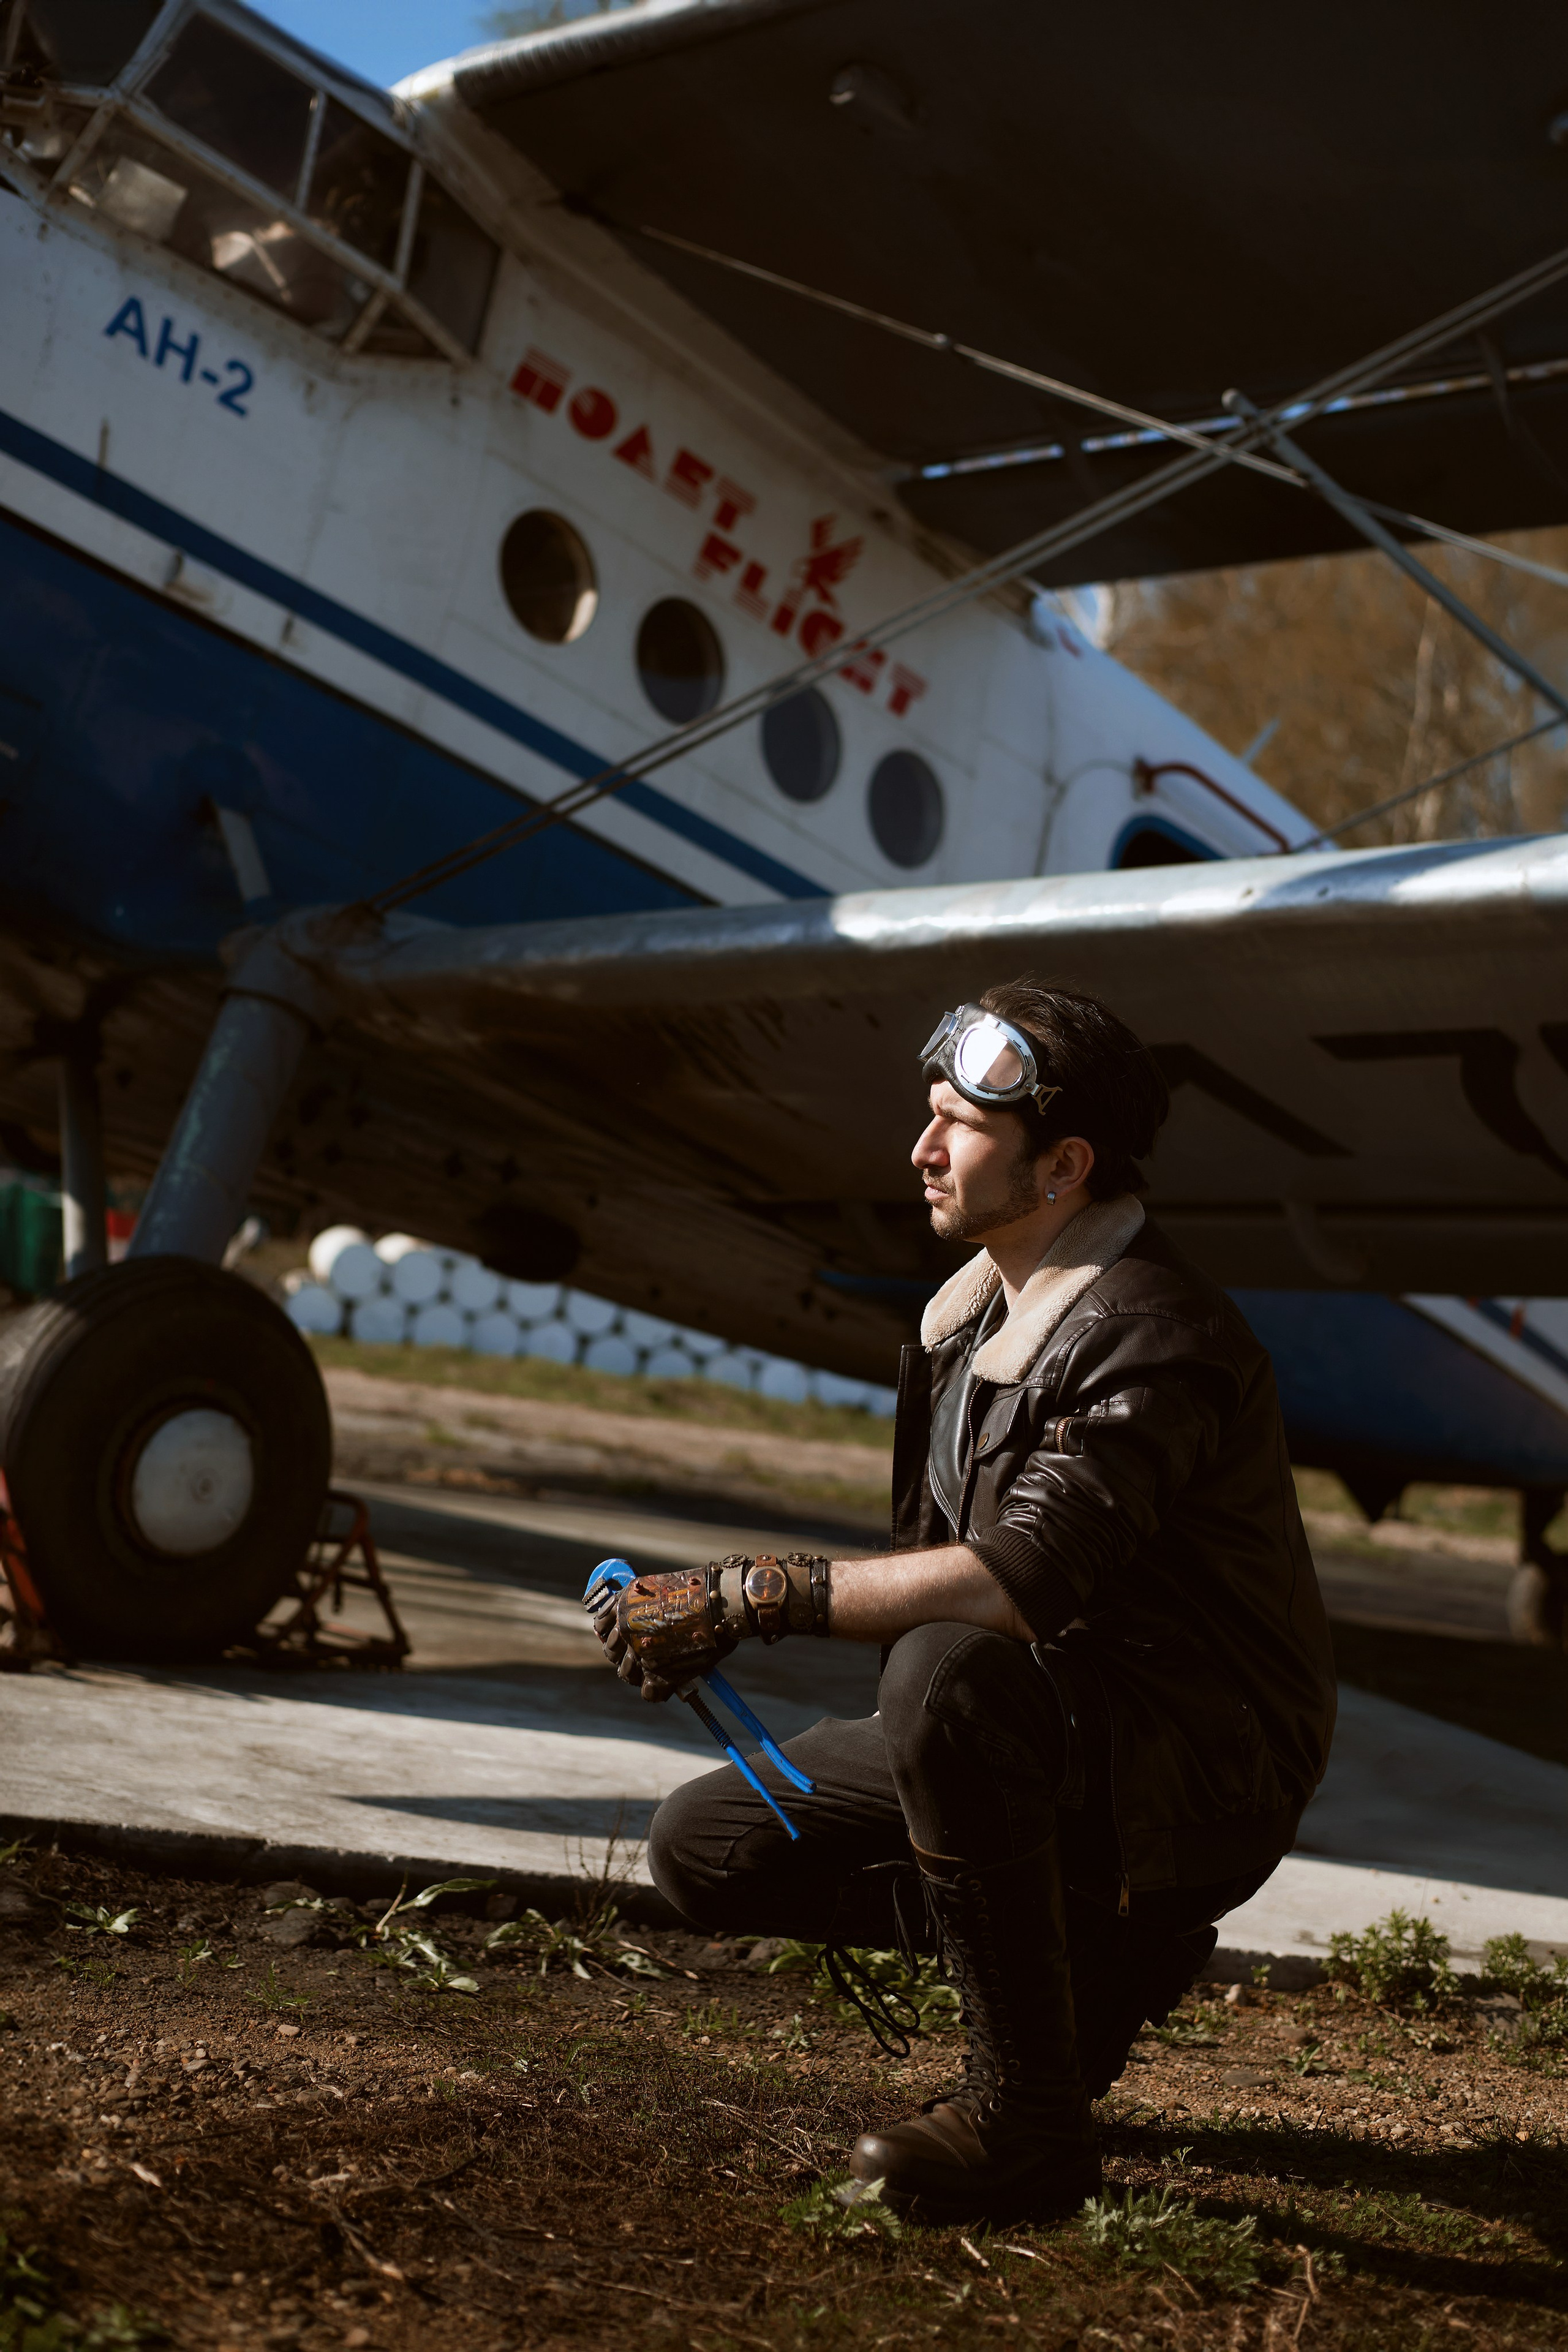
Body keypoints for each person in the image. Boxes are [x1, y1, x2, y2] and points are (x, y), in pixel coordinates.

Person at [590, 980, 1336, 2225]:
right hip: (1048, 1725)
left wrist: (744, 1596)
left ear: (1061, 1167)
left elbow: (1016, 1581)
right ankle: (1087, 1971)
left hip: (1197, 1768)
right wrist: (725, 1612)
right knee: (702, 1849)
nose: (919, 1150)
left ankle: (1024, 2118)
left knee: (938, 1668)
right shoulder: (971, 1322)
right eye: (927, 1115)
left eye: (958, 1127)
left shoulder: (1153, 1329)